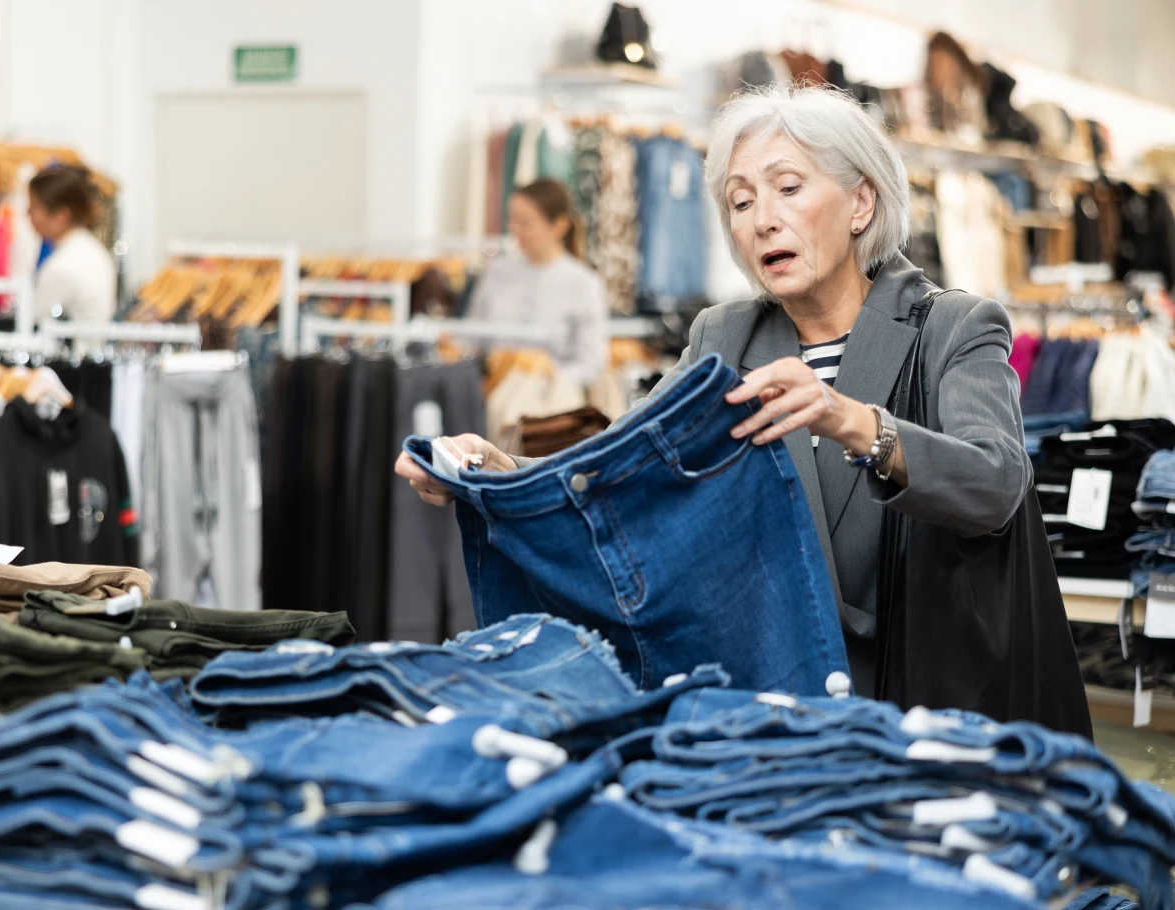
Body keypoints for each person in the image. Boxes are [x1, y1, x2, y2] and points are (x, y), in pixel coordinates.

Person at [396, 84, 1032, 695]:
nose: (762, 221)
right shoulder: (723, 338)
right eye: (740, 200)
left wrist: (856, 423)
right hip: (766, 697)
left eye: (787, 188)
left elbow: (996, 485)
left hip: (914, 693)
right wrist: (501, 471)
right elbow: (618, 465)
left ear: (861, 203)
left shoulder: (954, 326)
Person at [468, 178, 608, 386]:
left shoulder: (583, 283)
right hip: (490, 393)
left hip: (548, 404)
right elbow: (474, 338)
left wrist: (544, 376)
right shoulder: (496, 271)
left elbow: (591, 364)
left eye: (525, 223)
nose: (515, 229)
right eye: (512, 220)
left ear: (560, 226)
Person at [28, 164, 116, 324]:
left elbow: (31, 321)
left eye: (35, 206)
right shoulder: (90, 249)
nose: (28, 213)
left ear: (61, 215)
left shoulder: (63, 266)